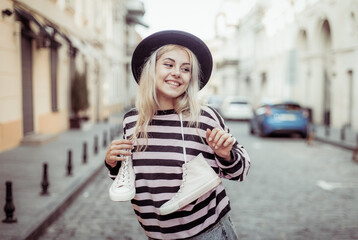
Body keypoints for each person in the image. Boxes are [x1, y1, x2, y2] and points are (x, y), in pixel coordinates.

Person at [105, 30, 250, 240]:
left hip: (207, 233)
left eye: (185, 68)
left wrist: (226, 155)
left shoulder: (204, 117)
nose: (177, 73)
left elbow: (241, 171)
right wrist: (113, 162)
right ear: (151, 69)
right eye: (168, 64)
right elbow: (129, 177)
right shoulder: (132, 121)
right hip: (156, 235)